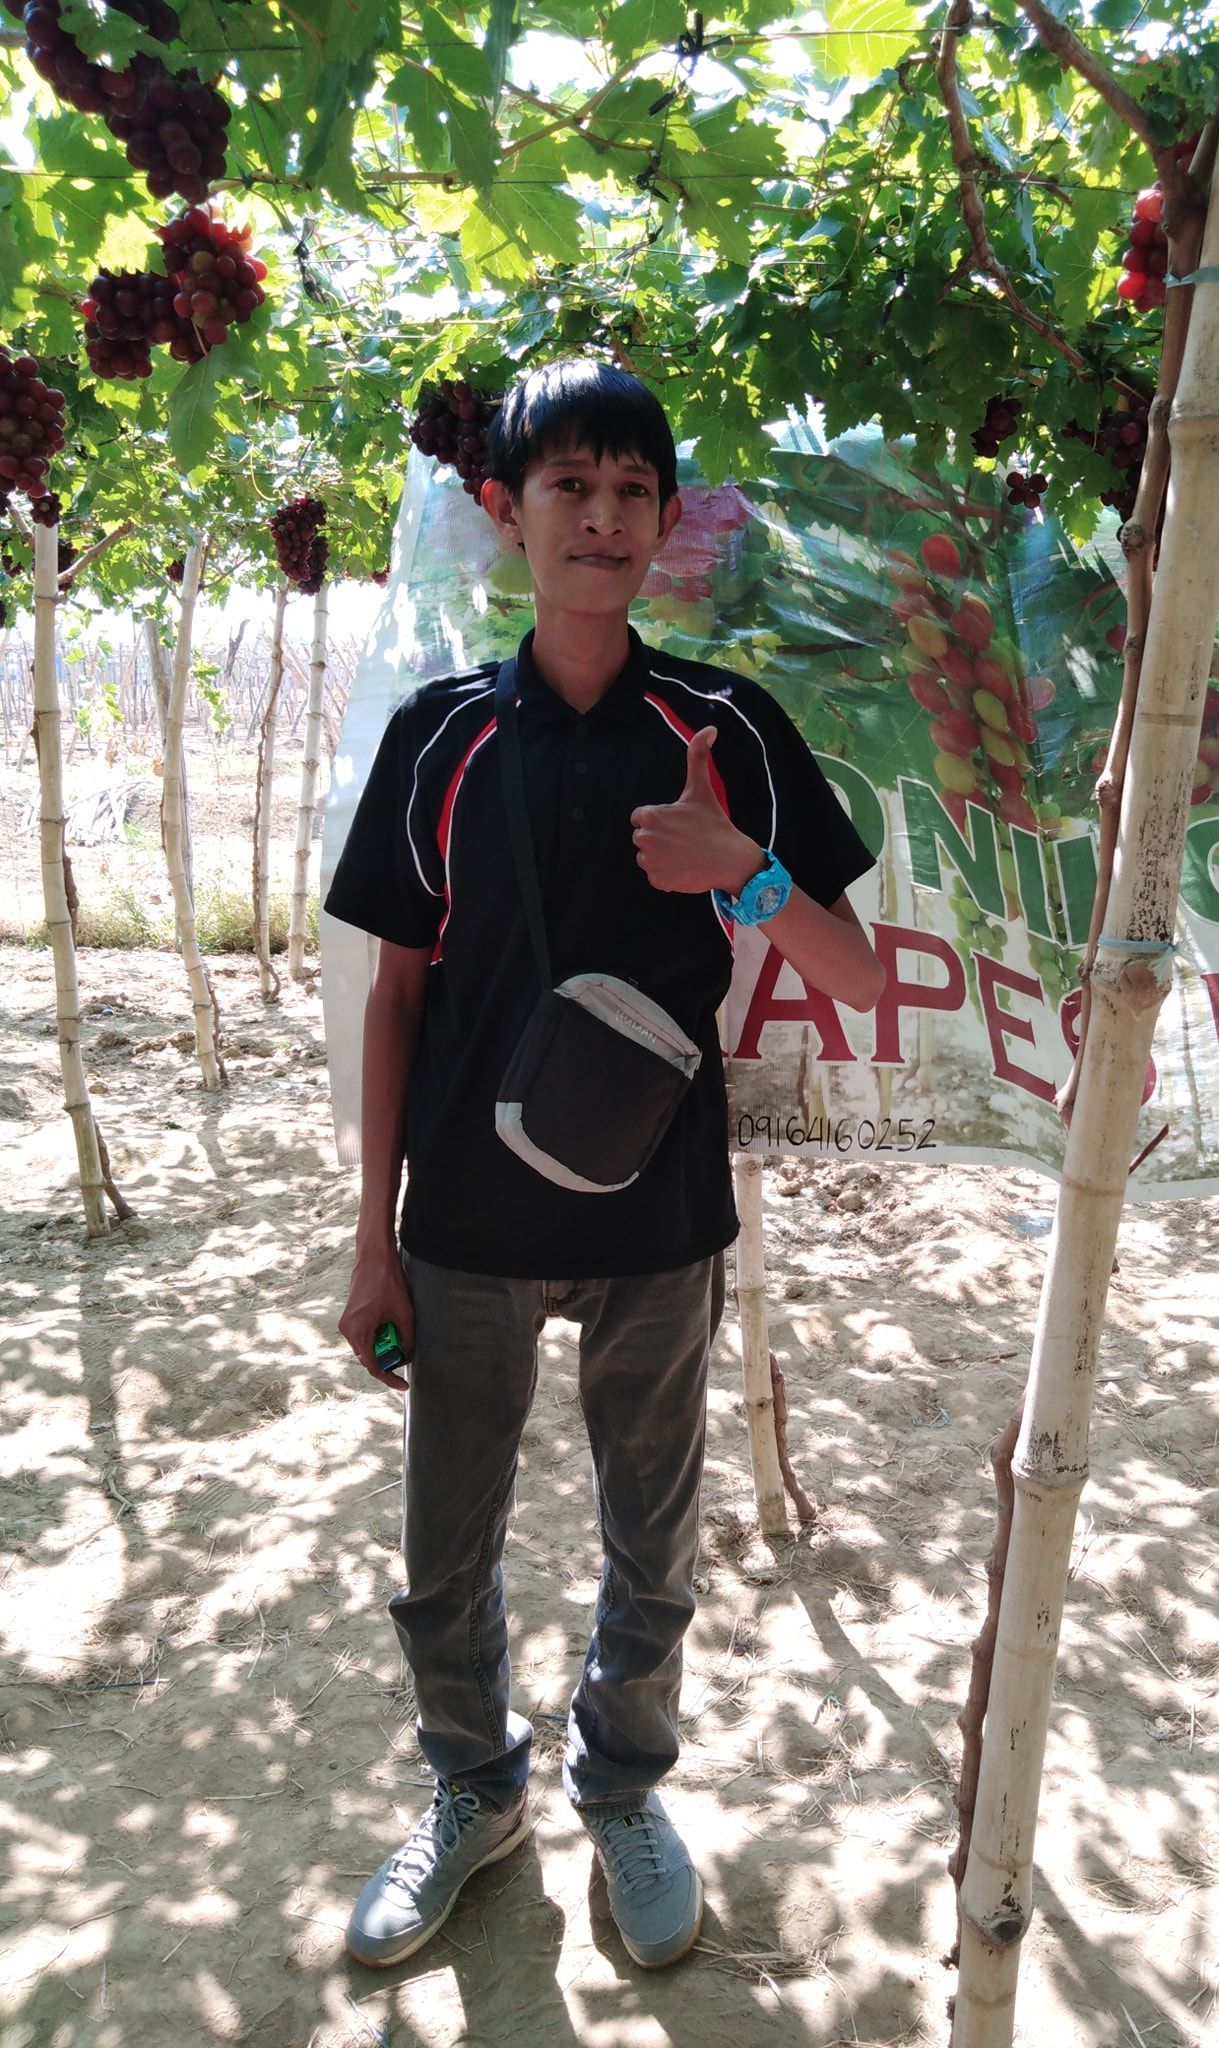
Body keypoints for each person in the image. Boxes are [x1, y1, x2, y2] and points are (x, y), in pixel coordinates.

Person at [326, 357, 884, 1973]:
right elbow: (397, 1004)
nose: (603, 516)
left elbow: (861, 975)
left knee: (655, 1535)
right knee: (448, 1547)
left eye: (632, 490)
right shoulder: (440, 740)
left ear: (665, 523)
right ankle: (471, 1790)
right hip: (468, 1220)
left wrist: (746, 867)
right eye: (568, 485)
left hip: (661, 1224)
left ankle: (625, 1791)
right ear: (507, 515)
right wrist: (373, 1240)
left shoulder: (722, 727)